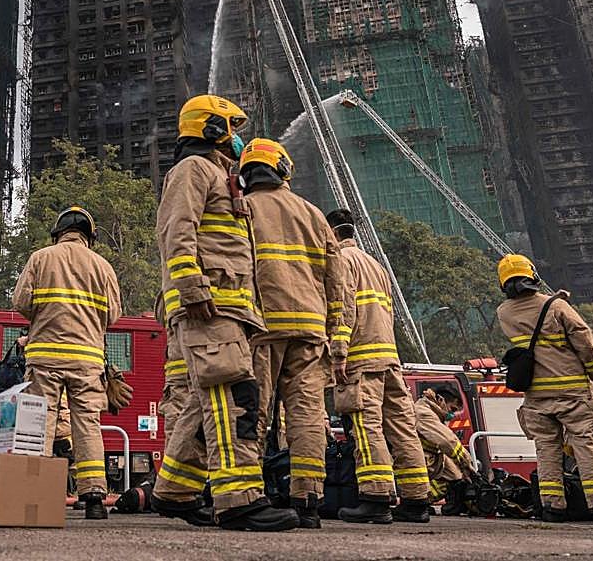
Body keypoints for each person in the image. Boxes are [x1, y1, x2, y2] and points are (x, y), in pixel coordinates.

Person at [151, 95, 299, 531]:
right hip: (209, 304)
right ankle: (239, 500)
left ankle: (174, 491)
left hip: (228, 305)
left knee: (204, 401)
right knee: (234, 398)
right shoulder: (193, 170)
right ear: (211, 128)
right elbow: (176, 232)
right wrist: (193, 288)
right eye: (230, 128)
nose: (237, 139)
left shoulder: (218, 175)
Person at [239, 138, 340, 528]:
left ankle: (249, 495)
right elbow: (338, 281)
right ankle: (308, 501)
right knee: (308, 416)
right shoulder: (313, 214)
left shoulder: (241, 209)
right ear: (283, 168)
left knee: (253, 411)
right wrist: (338, 333)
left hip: (262, 328)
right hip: (311, 330)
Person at [495, 254, 593, 525]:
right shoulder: (556, 307)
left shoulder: (504, 313)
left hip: (536, 397)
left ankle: (552, 506)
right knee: (586, 445)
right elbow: (587, 347)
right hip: (573, 393)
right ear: (532, 275)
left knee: (546, 450)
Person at [12, 206, 122, 519]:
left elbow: (21, 302)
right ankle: (95, 497)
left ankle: (37, 493)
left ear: (57, 231)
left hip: (45, 355)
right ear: (90, 236)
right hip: (87, 359)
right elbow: (113, 315)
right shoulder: (102, 266)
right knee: (87, 424)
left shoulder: (40, 258)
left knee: (41, 421)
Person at [328, 208, 432, 525]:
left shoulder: (342, 262)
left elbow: (343, 307)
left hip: (361, 359)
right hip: (389, 359)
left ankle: (375, 498)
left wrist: (339, 351)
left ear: (332, 233)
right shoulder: (376, 265)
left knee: (366, 426)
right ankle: (416, 500)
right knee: (403, 429)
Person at [413, 384, 475, 514]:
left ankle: (429, 499)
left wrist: (465, 473)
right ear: (440, 399)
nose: (452, 415)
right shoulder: (423, 412)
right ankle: (416, 500)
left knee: (456, 477)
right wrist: (468, 463)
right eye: (452, 409)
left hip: (429, 457)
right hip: (416, 459)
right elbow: (447, 441)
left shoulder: (434, 413)